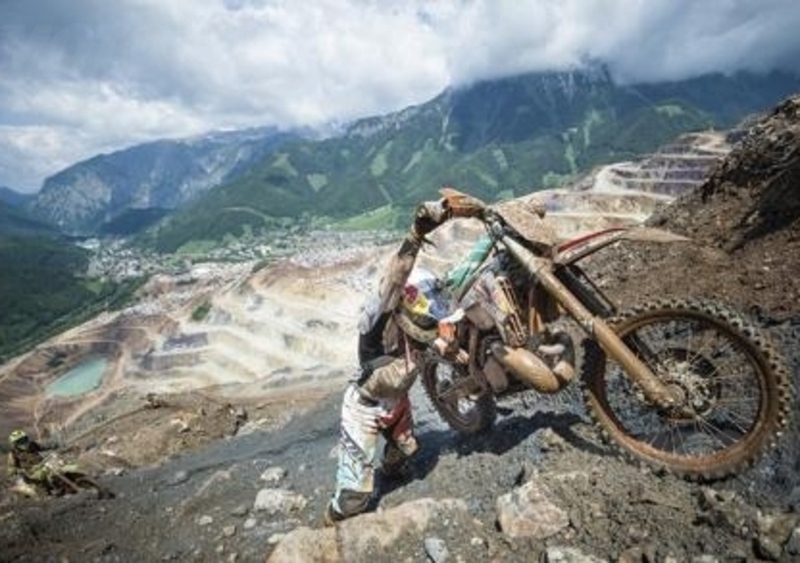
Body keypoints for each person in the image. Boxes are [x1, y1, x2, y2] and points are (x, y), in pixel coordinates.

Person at [324, 189, 481, 525]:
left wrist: (491, 231)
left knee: (407, 450)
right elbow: (396, 276)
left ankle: (390, 471)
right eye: (428, 319)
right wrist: (416, 234)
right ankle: (331, 522)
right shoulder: (379, 321)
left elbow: (465, 273)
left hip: (396, 403)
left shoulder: (421, 329)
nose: (433, 326)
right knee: (354, 499)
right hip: (364, 409)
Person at [6, 429, 50, 497]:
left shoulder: (33, 445)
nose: (23, 442)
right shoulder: (13, 454)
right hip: (30, 472)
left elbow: (46, 446)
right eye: (19, 441)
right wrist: (18, 472)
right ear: (15, 444)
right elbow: (11, 469)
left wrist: (57, 446)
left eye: (24, 439)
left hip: (43, 465)